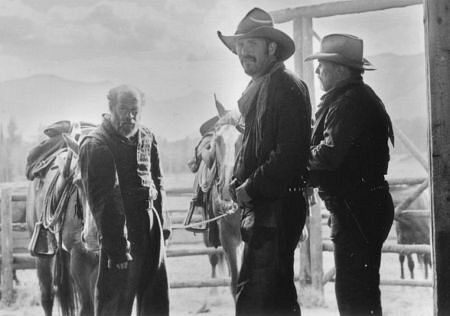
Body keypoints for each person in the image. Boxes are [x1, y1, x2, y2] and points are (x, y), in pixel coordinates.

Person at [218, 8, 312, 316]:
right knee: (278, 298)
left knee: (255, 301)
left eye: (251, 44)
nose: (243, 52)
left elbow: (288, 156)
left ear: (272, 48)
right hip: (267, 208)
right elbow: (256, 148)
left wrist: (248, 187)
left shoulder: (285, 86)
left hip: (276, 209)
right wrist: (238, 182)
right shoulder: (263, 86)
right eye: (240, 46)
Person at [306, 34, 395, 316]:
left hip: (357, 210)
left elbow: (328, 155)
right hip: (363, 208)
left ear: (340, 70)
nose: (318, 71)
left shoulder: (348, 103)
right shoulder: (356, 98)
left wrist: (294, 160)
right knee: (362, 290)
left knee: (353, 294)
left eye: (323, 65)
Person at [79, 84, 170, 316]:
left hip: (151, 228)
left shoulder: (147, 137)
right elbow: (104, 203)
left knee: (154, 300)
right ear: (111, 108)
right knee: (116, 303)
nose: (130, 116)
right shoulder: (96, 144)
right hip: (121, 233)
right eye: (123, 109)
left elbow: (157, 182)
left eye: (135, 110)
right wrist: (118, 250)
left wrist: (163, 228)